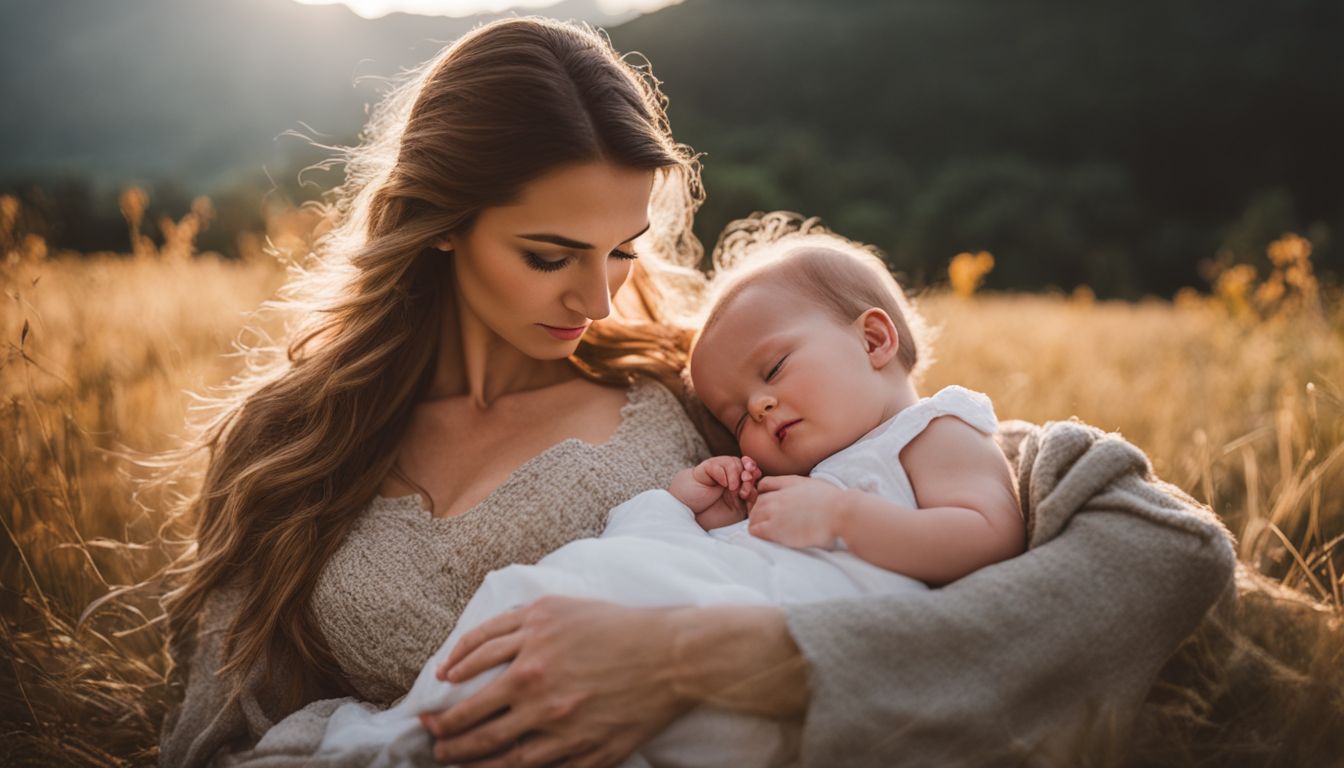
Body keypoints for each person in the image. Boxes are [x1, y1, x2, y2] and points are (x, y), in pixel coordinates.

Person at [417, 215, 1239, 767]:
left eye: (772, 371)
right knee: (579, 582)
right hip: (756, 600)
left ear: (875, 339)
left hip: (811, 644)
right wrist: (713, 500)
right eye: (735, 412)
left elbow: (983, 533)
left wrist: (841, 514)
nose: (760, 410)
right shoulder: (807, 466)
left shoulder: (937, 434)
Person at [158, 16, 722, 768]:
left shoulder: (696, 397)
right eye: (549, 257)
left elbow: (862, 582)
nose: (598, 302)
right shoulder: (295, 436)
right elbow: (217, 733)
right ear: (444, 222)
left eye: (622, 251)